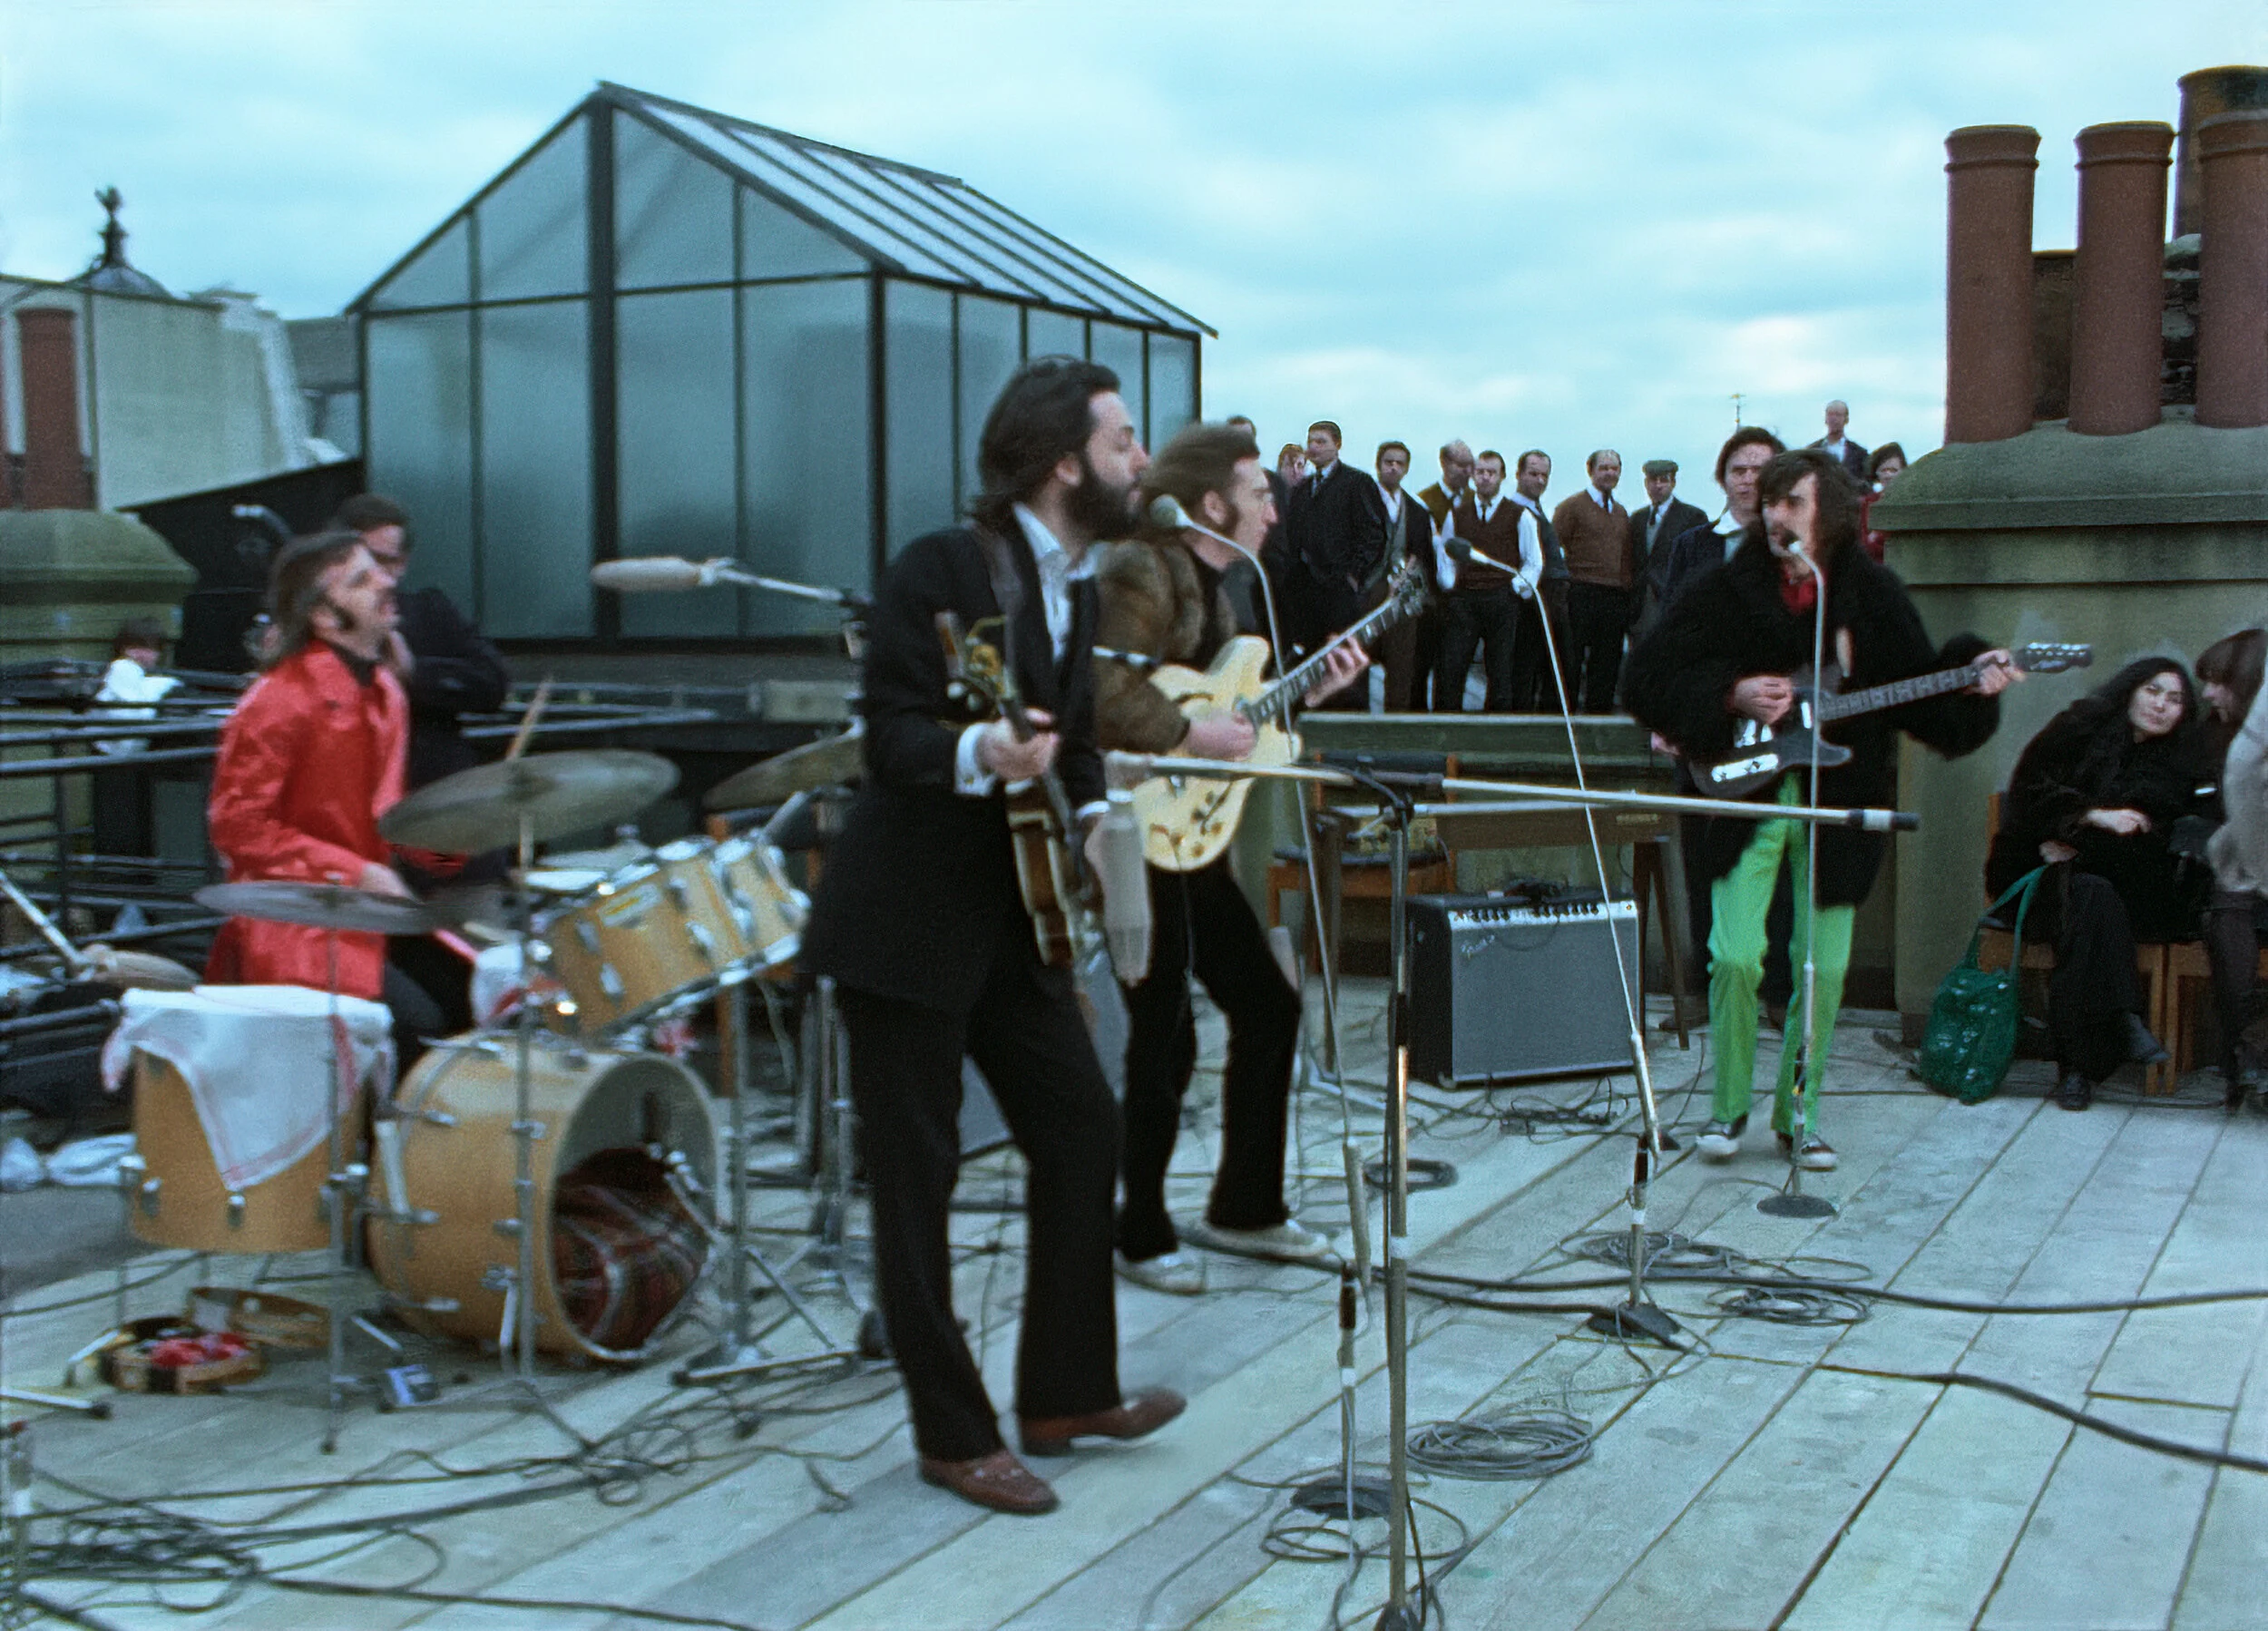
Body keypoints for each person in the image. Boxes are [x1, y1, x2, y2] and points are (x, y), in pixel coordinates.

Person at [797, 357, 1181, 1518]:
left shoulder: (1071, 583)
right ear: (1067, 460)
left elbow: (1064, 741)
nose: (1140, 460)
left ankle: (1063, 1393)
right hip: (905, 923)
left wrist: (1098, 810)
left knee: (1082, 1127)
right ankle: (951, 1433)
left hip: (1013, 916)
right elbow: (892, 736)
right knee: (914, 1189)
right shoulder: (945, 568)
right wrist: (979, 754)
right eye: (1123, 441)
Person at [1625, 450, 2015, 1166]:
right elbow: (1645, 675)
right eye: (1769, 500)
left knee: (1823, 969)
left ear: (1830, 513)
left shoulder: (1873, 597)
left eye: (1792, 502)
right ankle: (1727, 1110)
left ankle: (1798, 1114)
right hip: (1742, 796)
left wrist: (1971, 682)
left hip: (1843, 802)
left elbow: (1924, 702)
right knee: (1735, 956)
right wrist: (1729, 693)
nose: (1775, 515)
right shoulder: (1724, 587)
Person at [1090, 421, 1366, 1296]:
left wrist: (1305, 694)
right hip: (1133, 834)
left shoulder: (1227, 598)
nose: (1273, 512)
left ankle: (1243, 1208)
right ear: (1213, 504)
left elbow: (1237, 718)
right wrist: (1188, 732)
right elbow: (1103, 693)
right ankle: (1137, 1231)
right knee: (1161, 1034)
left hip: (1189, 841)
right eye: (1258, 494)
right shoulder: (1142, 568)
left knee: (1268, 1006)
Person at [204, 531, 445, 1067]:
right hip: (296, 927)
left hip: (366, 912)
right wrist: (357, 873)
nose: (387, 582)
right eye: (362, 579)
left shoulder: (384, 689)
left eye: (379, 570)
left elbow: (386, 815)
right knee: (419, 1028)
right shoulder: (276, 702)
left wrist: (460, 856)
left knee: (477, 995)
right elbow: (238, 828)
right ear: (325, 616)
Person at [1987, 659, 2208, 1109]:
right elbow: (2028, 794)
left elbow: (2149, 837)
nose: (2161, 705)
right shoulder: (2077, 728)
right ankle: (2120, 1019)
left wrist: (2073, 841)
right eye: (2153, 690)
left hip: (2118, 891)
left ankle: (2076, 1068)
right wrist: (2091, 815)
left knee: (2091, 895)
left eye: (2175, 700)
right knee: (2089, 894)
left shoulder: (2177, 763)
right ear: (2130, 689)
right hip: (2034, 881)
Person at [331, 494, 512, 795]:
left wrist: (415, 672)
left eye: (384, 562)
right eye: (362, 564)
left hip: (425, 789)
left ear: (402, 564)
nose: (378, 579)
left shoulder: (429, 611)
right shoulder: (316, 625)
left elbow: (493, 682)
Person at [2193, 629, 2267, 1107]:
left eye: (2220, 681)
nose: (2208, 693)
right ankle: (2246, 1050)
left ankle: (2252, 1050)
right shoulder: (2210, 740)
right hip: (2235, 882)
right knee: (2230, 903)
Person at [1284, 420, 1387, 692]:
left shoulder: (1357, 483)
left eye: (1321, 442)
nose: (1313, 448)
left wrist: (1353, 576)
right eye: (1311, 442)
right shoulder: (1303, 489)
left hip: (1340, 592)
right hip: (1305, 594)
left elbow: (1374, 535)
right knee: (1308, 665)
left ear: (1337, 445)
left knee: (1343, 662)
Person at [1433, 450, 1540, 713]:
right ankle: (1448, 730)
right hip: (1465, 601)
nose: (1485, 478)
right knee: (1452, 666)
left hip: (1502, 600)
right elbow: (1446, 553)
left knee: (1501, 670)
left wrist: (1516, 587)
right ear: (1473, 476)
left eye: (1491, 472)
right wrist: (1450, 585)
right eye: (1480, 472)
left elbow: (1533, 560)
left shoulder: (1520, 515)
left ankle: (1497, 732)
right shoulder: (1457, 514)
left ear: (1502, 477)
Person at [1549, 449, 1636, 713]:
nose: (1610, 473)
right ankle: (1566, 718)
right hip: (1581, 592)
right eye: (1604, 468)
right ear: (1591, 471)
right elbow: (1553, 546)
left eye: (1614, 468)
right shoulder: (1572, 506)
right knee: (1572, 660)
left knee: (1607, 663)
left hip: (1614, 596)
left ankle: (1599, 721)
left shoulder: (1621, 513)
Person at [1370, 439, 1434, 710]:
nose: (1394, 468)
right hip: (1366, 595)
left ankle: (1393, 730)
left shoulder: (1418, 511)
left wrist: (1404, 576)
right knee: (1355, 665)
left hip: (1402, 600)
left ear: (1407, 469)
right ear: (1378, 465)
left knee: (1401, 669)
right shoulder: (1363, 502)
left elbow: (1422, 553)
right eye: (1389, 462)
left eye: (1400, 463)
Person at [1507, 450, 1570, 708]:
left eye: (1544, 475)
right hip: (1530, 602)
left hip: (1553, 601)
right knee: (1524, 670)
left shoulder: (1540, 511)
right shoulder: (1512, 512)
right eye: (1533, 474)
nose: (1540, 481)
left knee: (1556, 669)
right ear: (1519, 475)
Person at [1628, 459, 1706, 624]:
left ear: (1673, 483)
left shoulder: (1692, 517)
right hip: (1639, 606)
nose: (1658, 486)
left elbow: (1699, 564)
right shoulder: (1637, 519)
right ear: (1645, 483)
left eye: (1663, 480)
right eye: (1652, 480)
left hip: (1674, 601)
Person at [1858, 443, 1907, 562]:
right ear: (1877, 473)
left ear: (1903, 472)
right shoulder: (1868, 502)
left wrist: (1875, 538)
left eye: (1893, 470)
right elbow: (1863, 544)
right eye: (1884, 470)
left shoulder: (1908, 503)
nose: (1888, 475)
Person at [1808, 399, 1869, 483]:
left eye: (1838, 415)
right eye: (1830, 414)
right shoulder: (1812, 451)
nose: (1833, 419)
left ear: (1846, 419)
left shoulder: (1859, 454)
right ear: (1825, 419)